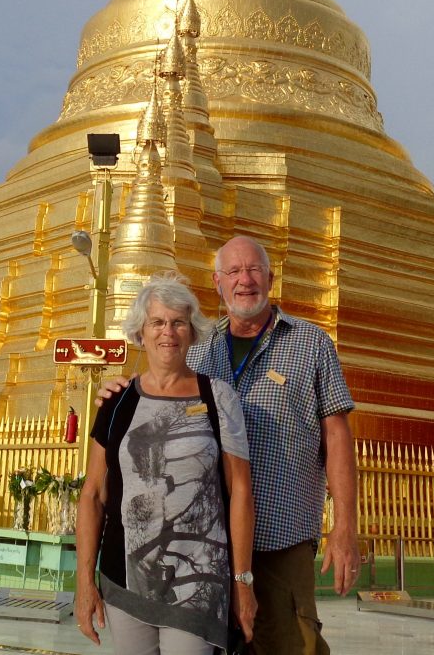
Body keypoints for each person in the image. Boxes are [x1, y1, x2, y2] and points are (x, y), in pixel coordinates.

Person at [97, 237, 360, 655]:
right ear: (218, 284)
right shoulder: (200, 348)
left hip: (279, 537)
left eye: (253, 270)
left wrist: (344, 528)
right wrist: (120, 393)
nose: (245, 281)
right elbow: (158, 392)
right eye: (233, 273)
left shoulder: (311, 344)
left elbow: (337, 437)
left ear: (270, 278)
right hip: (204, 546)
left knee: (290, 645)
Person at [76, 275, 257, 653]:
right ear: (141, 332)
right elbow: (92, 494)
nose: (167, 332)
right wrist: (83, 582)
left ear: (191, 333)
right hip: (126, 577)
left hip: (199, 576)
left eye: (177, 322)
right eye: (157, 322)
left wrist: (242, 581)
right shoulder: (117, 402)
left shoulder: (218, 397)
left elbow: (240, 489)